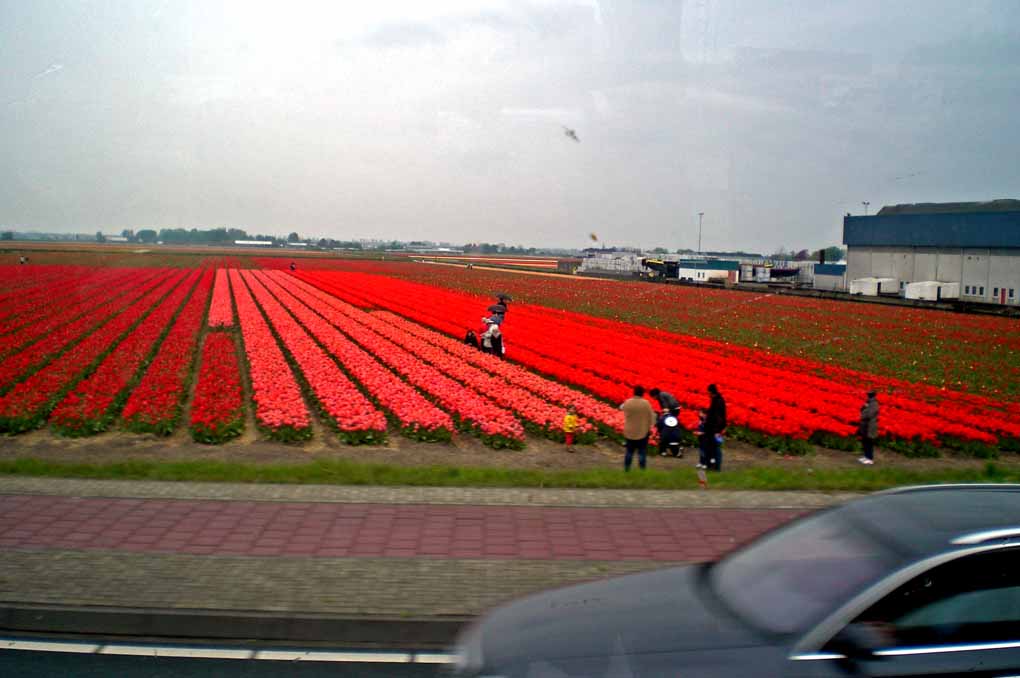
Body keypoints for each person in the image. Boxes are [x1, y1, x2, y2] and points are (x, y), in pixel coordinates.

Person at [620, 385, 655, 471]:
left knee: (629, 451)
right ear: (643, 393)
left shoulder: (628, 402)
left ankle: (627, 469)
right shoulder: (646, 403)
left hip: (630, 431)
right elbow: (652, 416)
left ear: (634, 392)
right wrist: (651, 426)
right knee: (642, 452)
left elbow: (621, 408)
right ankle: (642, 470)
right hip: (643, 431)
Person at [703, 384, 726, 471]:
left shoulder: (719, 401)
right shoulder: (715, 399)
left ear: (711, 392)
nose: (707, 394)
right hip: (711, 428)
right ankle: (711, 465)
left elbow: (719, 417)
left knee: (716, 448)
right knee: (710, 447)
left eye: (708, 392)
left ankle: (717, 468)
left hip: (715, 429)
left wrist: (717, 431)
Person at [858, 390, 879, 465]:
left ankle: (870, 458)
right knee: (864, 441)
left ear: (873, 395)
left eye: (869, 395)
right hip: (865, 425)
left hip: (870, 426)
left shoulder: (874, 404)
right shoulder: (868, 402)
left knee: (869, 442)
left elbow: (869, 415)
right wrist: (864, 407)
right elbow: (861, 409)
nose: (868, 396)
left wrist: (862, 415)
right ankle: (866, 456)